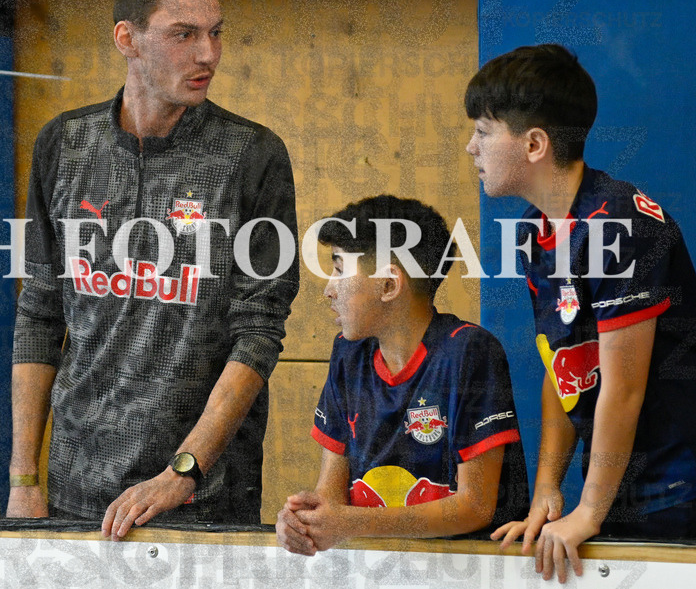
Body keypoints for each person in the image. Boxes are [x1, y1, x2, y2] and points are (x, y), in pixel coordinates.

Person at [5, 0, 299, 539]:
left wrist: (183, 471)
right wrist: (23, 478)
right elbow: (39, 313)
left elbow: (258, 333)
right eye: (183, 35)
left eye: (215, 33)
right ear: (127, 39)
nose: (208, 54)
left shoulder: (253, 155)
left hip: (203, 497)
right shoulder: (63, 143)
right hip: (73, 491)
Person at [465, 44, 696, 582]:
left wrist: (588, 511)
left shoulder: (618, 225)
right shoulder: (534, 230)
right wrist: (549, 487)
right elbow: (563, 363)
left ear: (534, 144)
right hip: (619, 485)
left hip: (678, 485)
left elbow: (624, 388)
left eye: (483, 131)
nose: (471, 146)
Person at [276, 195, 527, 555]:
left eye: (340, 270)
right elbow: (331, 498)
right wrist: (304, 523)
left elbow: (475, 507)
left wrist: (351, 522)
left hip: (476, 569)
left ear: (389, 285)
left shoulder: (469, 351)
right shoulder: (348, 354)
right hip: (382, 567)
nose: (328, 290)